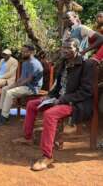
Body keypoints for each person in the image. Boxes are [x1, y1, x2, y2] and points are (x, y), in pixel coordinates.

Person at [12, 38, 95, 171]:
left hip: (76, 103)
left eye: (69, 48)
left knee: (50, 114)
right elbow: (59, 86)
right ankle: (27, 137)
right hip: (58, 98)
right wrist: (49, 96)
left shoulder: (87, 65)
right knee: (32, 104)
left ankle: (47, 156)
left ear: (78, 49)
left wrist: (61, 100)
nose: (65, 50)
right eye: (64, 47)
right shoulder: (63, 63)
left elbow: (85, 92)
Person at [0, 45, 43, 126]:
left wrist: (15, 86)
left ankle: (4, 117)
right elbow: (21, 78)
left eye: (25, 52)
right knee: (5, 89)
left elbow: (28, 80)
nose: (22, 53)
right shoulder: (25, 62)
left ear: (31, 52)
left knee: (10, 93)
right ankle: (1, 111)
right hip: (25, 86)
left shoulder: (34, 64)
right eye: (22, 51)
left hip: (32, 88)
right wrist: (13, 85)